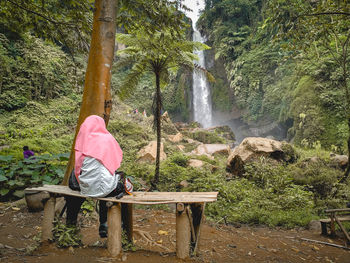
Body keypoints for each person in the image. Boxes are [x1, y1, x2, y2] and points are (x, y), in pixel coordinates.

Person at [65, 115, 126, 238]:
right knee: (116, 185)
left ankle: (69, 228)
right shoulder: (108, 139)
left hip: (86, 189)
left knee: (74, 193)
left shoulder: (83, 140)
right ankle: (107, 224)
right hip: (107, 190)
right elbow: (113, 167)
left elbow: (78, 168)